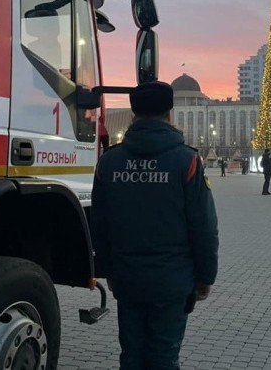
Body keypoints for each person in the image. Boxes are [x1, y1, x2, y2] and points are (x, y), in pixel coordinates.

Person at [91, 81, 219, 369]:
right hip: (172, 282)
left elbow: (99, 223)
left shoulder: (110, 162)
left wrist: (107, 270)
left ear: (134, 115)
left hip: (128, 279)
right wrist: (206, 276)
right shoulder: (186, 161)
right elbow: (204, 227)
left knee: (132, 356)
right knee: (163, 357)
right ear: (169, 113)